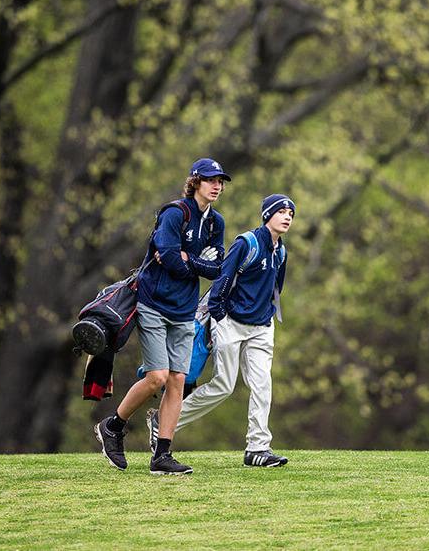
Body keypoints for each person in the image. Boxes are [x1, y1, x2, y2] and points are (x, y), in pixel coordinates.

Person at [94, 158, 231, 475]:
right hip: (154, 304)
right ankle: (113, 426)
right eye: (211, 180)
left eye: (220, 181)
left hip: (185, 311)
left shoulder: (216, 223)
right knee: (157, 377)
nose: (217, 186)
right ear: (195, 181)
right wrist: (193, 261)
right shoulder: (174, 213)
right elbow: (169, 258)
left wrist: (190, 260)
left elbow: (217, 268)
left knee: (178, 381)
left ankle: (162, 455)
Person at [147, 194, 295, 467]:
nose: (287, 217)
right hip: (230, 321)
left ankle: (257, 448)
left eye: (290, 213)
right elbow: (222, 278)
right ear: (267, 216)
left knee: (263, 385)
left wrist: (268, 317)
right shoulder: (247, 243)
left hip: (262, 327)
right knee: (223, 386)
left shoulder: (281, 251)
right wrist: (219, 316)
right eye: (281, 212)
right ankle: (164, 421)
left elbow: (276, 288)